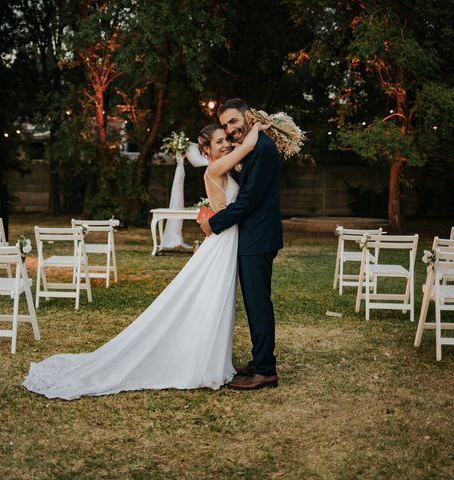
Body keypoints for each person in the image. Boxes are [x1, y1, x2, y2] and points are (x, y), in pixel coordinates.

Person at [22, 122, 269, 400]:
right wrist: (258, 125)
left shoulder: (222, 165)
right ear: (206, 149)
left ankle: (211, 359)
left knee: (218, 302)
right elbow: (247, 146)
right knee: (212, 300)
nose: (226, 144)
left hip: (227, 239)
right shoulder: (214, 168)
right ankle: (201, 364)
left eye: (227, 140)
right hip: (223, 243)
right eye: (220, 141)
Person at [200, 98, 283, 391]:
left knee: (258, 303)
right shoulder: (252, 145)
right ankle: (260, 358)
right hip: (251, 237)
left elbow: (248, 201)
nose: (230, 129)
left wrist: (214, 223)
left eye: (234, 121)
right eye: (224, 125)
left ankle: (265, 370)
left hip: (257, 238)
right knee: (253, 303)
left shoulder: (261, 148)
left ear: (248, 116)